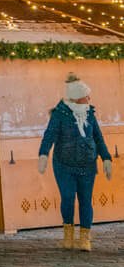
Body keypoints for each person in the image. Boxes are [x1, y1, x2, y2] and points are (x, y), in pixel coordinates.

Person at [38, 75, 112, 252]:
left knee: (86, 200)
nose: (89, 98)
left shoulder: (89, 113)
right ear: (77, 96)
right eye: (87, 95)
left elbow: (98, 138)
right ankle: (68, 234)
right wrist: (43, 154)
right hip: (64, 164)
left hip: (87, 164)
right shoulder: (60, 114)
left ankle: (85, 238)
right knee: (68, 197)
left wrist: (106, 157)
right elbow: (50, 135)